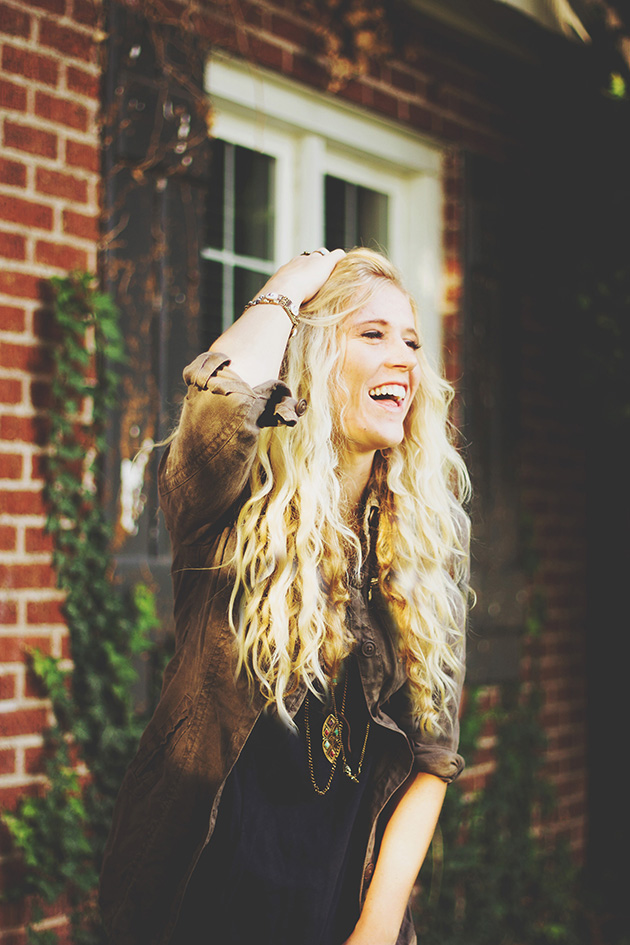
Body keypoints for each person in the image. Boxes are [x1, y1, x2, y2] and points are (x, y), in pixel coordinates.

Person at [99, 247, 471, 945]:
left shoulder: (421, 552)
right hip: (200, 905)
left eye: (412, 341)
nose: (403, 358)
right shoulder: (230, 512)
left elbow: (432, 758)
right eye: (373, 333)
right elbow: (220, 403)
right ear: (315, 357)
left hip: (338, 912)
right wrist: (288, 288)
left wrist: (376, 929)